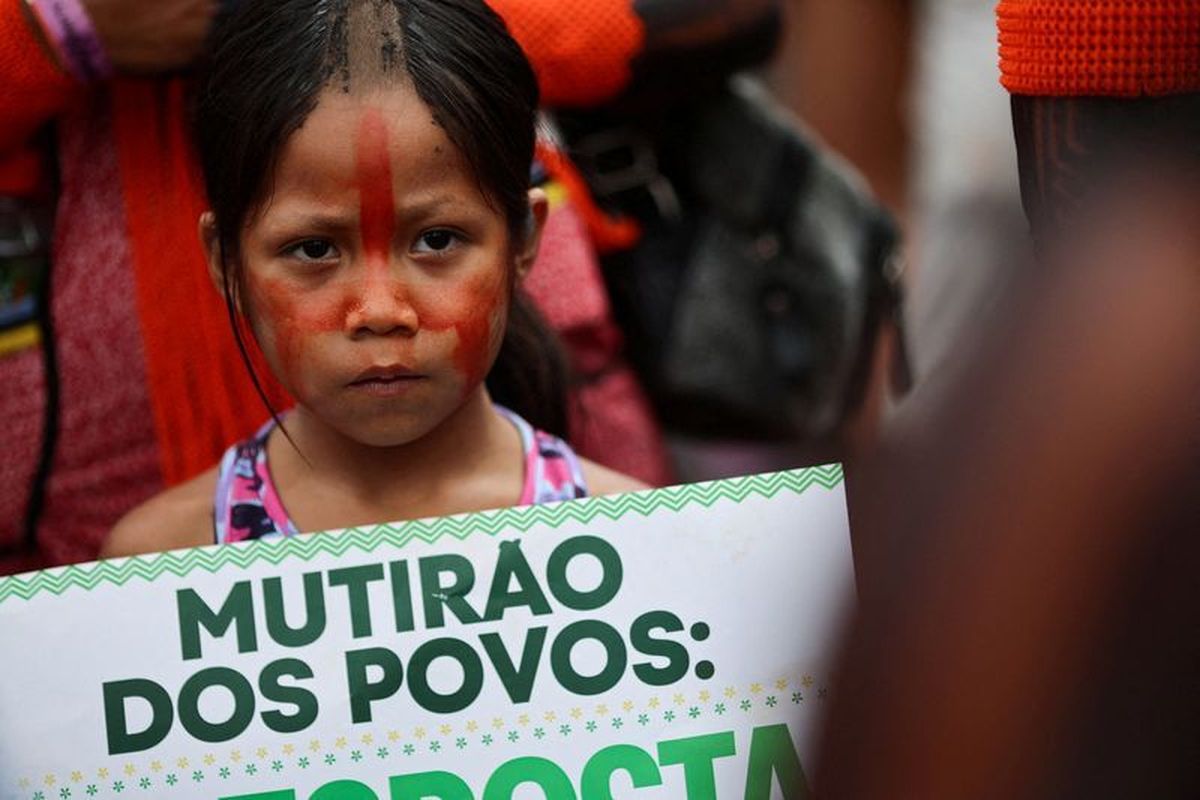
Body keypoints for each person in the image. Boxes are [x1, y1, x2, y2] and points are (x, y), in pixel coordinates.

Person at [101, 0, 644, 557]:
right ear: (227, 263)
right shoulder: (163, 566)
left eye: (437, 240)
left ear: (524, 240)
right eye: (314, 249)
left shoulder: (629, 543)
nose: (381, 311)